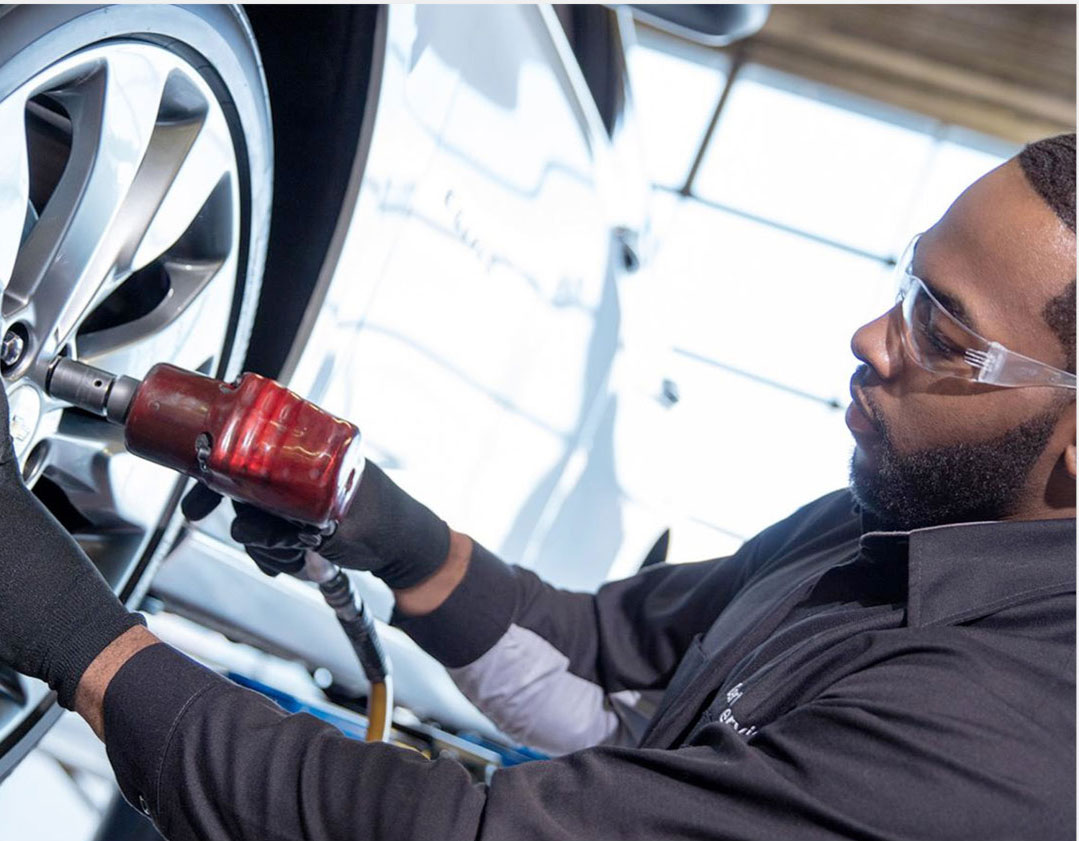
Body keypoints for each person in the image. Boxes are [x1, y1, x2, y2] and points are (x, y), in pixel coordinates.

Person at [0, 134, 1074, 841]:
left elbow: (468, 837)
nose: (868, 338)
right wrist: (385, 529)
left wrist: (80, 637)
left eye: (940, 329)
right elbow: (601, 665)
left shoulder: (999, 747)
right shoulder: (892, 516)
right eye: (902, 282)